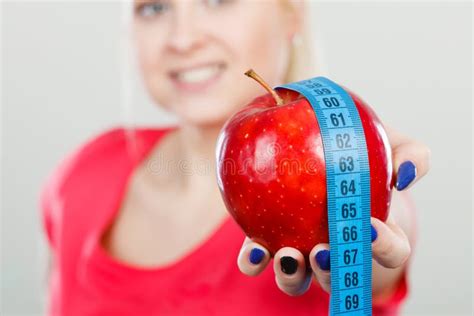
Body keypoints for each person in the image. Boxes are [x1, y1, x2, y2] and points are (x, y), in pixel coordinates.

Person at [40, 0, 430, 315]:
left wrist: (372, 179)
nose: (182, 38)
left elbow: (380, 254)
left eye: (217, 0)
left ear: (290, 12)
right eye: (154, 8)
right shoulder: (83, 173)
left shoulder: (337, 180)